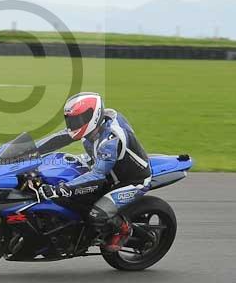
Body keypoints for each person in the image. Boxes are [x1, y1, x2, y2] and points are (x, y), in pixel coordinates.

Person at [36, 92, 151, 252]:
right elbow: (58, 139)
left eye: (78, 119)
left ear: (93, 116)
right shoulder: (93, 127)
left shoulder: (110, 141)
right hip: (101, 164)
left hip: (130, 181)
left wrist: (61, 189)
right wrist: (28, 150)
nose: (73, 124)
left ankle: (124, 229)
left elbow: (97, 175)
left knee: (96, 214)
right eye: (71, 120)